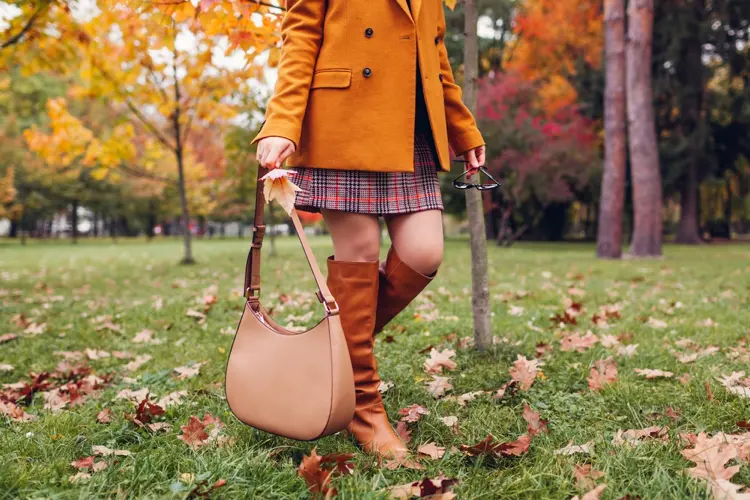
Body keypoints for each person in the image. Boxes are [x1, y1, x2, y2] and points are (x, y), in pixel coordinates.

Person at [251, 0, 485, 458]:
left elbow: (435, 56)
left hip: (411, 129)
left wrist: (463, 129)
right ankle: (363, 408)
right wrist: (281, 123)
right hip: (344, 120)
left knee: (424, 253)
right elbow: (300, 39)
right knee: (358, 251)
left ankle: (323, 362)